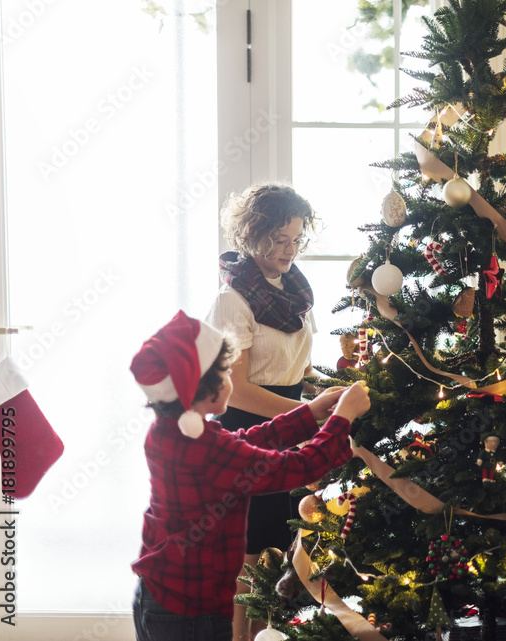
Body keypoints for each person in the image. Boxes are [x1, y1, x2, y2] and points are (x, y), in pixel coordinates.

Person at [130, 310, 370, 641]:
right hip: (191, 611)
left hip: (157, 593)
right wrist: (344, 416)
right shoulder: (209, 449)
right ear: (207, 391)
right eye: (227, 372)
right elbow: (299, 466)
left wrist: (310, 414)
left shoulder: (171, 431)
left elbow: (242, 443)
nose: (232, 378)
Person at [204, 183, 320, 640]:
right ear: (252, 236)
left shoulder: (296, 292)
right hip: (248, 432)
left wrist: (322, 395)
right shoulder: (231, 300)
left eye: (297, 238)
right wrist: (308, 413)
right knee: (249, 557)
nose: (290, 249)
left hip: (291, 425)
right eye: (280, 239)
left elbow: (300, 366)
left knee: (280, 550)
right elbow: (234, 391)